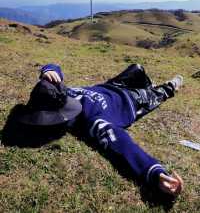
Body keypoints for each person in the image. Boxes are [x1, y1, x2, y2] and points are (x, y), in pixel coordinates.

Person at [19, 63, 184, 197]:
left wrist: (49, 70)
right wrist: (155, 172)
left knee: (137, 68)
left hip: (111, 86)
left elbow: (53, 70)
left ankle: (148, 84)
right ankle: (171, 86)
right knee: (161, 92)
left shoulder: (61, 93)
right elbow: (121, 143)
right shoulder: (92, 121)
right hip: (132, 101)